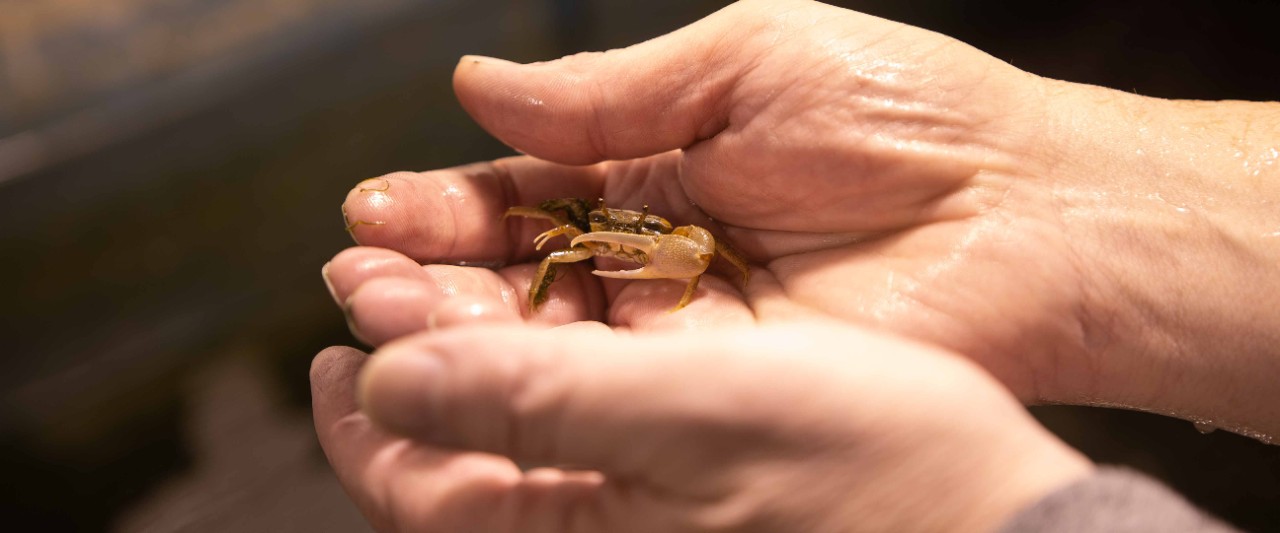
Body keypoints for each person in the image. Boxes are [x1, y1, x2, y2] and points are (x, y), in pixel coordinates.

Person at [311, 0, 1276, 530]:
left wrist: (970, 509)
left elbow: (668, 251)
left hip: (689, 255)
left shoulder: (672, 241)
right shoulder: (589, 223)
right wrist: (1017, 181)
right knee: (567, 231)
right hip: (668, 251)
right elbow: (579, 232)